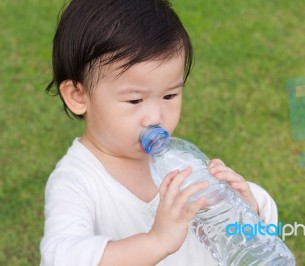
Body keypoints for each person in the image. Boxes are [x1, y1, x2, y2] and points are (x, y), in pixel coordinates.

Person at [40, 0, 278, 265]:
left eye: (169, 95)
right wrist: (157, 242)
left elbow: (234, 240)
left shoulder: (180, 161)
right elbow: (63, 256)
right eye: (134, 100)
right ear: (78, 96)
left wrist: (247, 208)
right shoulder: (77, 181)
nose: (155, 117)